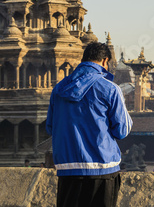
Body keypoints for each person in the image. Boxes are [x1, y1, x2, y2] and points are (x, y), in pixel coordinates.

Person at [46, 42, 132, 207]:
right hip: (102, 168)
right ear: (105, 61)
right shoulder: (110, 89)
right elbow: (122, 130)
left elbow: (50, 127)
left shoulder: (58, 89)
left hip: (67, 168)